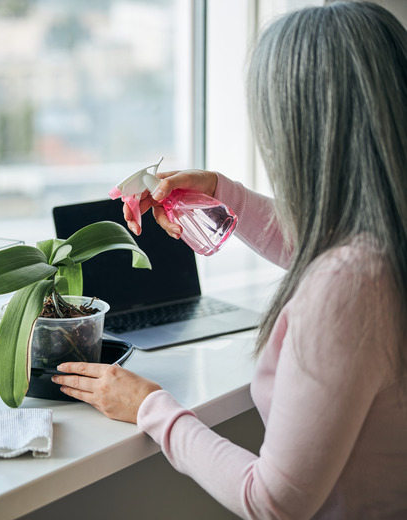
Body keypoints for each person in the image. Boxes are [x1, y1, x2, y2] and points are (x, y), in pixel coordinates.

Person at [51, 2, 407, 518]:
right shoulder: (385, 238)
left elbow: (271, 502)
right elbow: (326, 240)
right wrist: (224, 193)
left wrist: (150, 407)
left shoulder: (351, 288)